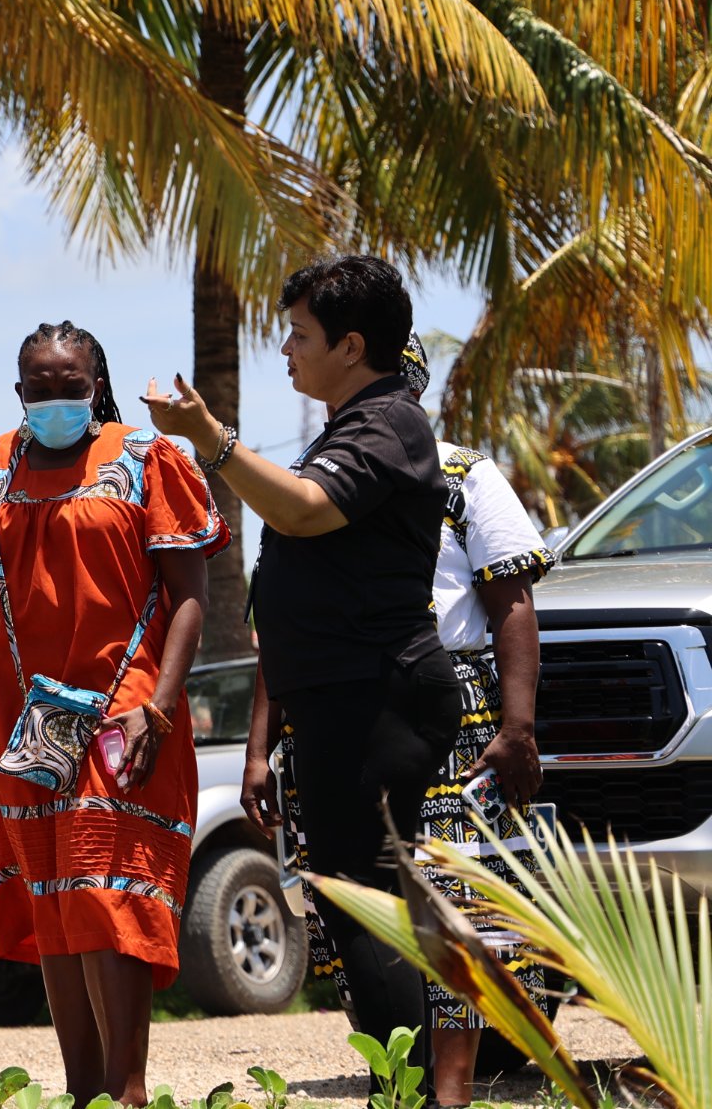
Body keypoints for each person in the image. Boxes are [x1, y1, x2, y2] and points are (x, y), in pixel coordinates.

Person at [144, 255, 460, 1072]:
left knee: (370, 905)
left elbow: (305, 508)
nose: (285, 349)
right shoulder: (351, 425)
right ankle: (404, 1084)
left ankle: (412, 1091)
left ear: (351, 346)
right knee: (355, 905)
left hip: (376, 695)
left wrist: (209, 438)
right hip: (341, 699)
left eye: (299, 334)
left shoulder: (390, 422)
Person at [0, 321, 221, 1106]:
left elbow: (192, 593)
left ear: (97, 384)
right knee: (54, 898)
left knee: (106, 888)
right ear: (18, 391)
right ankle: (80, 1091)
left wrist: (161, 704)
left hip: (126, 710)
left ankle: (126, 1090)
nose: (53, 397)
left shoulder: (147, 461)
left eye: (70, 384)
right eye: (38, 386)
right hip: (15, 721)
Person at [271, 336, 553, 1108]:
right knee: (352, 902)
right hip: (331, 709)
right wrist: (267, 742)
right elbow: (282, 617)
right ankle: (397, 1070)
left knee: (449, 901)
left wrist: (517, 727)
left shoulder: (463, 474)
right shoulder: (307, 483)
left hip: (447, 703)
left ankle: (452, 1088)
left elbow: (511, 602)